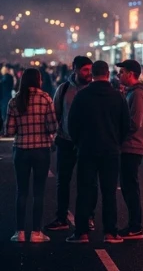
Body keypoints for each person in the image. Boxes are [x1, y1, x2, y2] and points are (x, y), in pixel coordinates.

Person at [66, 61, 130, 244]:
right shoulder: (118, 97)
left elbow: (72, 124)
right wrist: (117, 142)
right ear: (108, 73)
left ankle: (82, 232)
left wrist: (79, 142)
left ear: (92, 74)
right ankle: (110, 232)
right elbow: (126, 125)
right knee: (109, 192)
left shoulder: (82, 95)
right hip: (110, 151)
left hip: (86, 150)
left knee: (84, 191)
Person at [5, 68, 58, 243]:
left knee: (21, 191)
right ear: (38, 80)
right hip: (41, 150)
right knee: (39, 192)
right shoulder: (45, 98)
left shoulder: (14, 101)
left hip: (21, 150)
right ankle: (36, 232)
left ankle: (19, 232)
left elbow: (9, 130)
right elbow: (52, 127)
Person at [45, 56, 94, 232]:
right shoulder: (63, 89)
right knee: (63, 181)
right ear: (75, 69)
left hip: (88, 143)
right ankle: (61, 217)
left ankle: (89, 216)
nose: (89, 73)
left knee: (87, 182)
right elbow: (55, 114)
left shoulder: (95, 89)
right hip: (65, 141)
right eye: (85, 70)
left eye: (90, 69)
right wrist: (53, 136)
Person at [117, 60, 143, 240]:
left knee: (130, 186)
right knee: (129, 186)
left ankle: (135, 226)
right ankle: (134, 225)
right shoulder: (132, 93)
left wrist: (117, 130)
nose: (118, 75)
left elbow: (134, 123)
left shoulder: (138, 95)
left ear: (131, 74)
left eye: (121, 72)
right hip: (130, 145)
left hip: (132, 145)